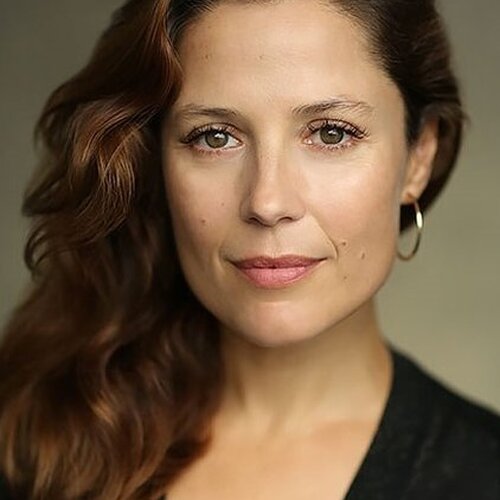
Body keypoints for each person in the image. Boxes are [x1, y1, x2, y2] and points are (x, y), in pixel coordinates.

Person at [1, 0, 499, 498]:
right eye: (215, 138)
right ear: (156, 161)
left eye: (331, 133)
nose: (267, 202)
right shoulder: (29, 438)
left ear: (419, 156)